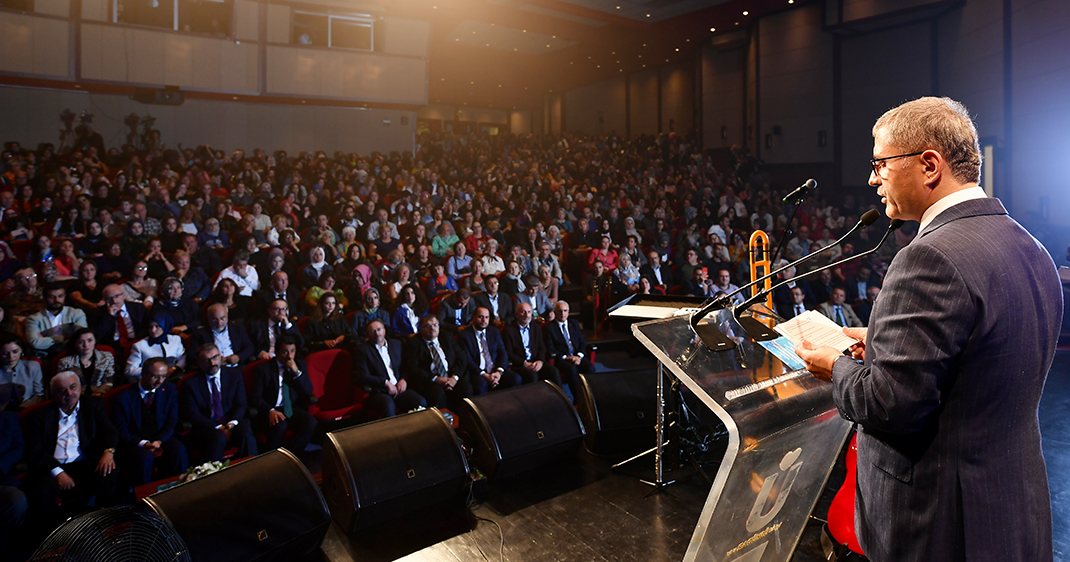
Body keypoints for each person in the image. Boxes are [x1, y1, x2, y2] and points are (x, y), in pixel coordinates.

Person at [795, 97, 1063, 562]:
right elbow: (981, 352)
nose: (872, 178)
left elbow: (889, 405)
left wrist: (834, 366)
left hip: (939, 519)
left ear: (929, 164)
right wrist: (878, 337)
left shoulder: (929, 257)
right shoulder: (1030, 245)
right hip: (1010, 503)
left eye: (880, 163)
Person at [21, 371, 119, 523]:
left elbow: (108, 430)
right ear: (54, 394)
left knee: (110, 471)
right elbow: (35, 451)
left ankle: (106, 520)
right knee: (41, 489)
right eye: (62, 390)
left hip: (84, 461)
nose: (69, 393)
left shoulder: (93, 404)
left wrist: (108, 452)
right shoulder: (39, 416)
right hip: (53, 466)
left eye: (73, 387)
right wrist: (58, 472)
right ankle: (50, 534)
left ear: (80, 387)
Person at [111, 357, 188, 486]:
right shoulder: (122, 398)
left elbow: (171, 421)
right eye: (155, 377)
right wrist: (145, 444)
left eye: (163, 376)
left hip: (161, 438)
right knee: (145, 457)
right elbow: (122, 432)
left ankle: (179, 489)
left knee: (178, 449)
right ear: (143, 374)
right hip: (135, 443)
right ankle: (144, 496)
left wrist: (158, 441)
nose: (160, 381)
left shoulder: (169, 390)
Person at [179, 343, 257, 463]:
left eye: (215, 358)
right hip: (207, 426)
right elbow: (192, 414)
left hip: (232, 421)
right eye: (206, 360)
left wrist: (231, 425)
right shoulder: (190, 383)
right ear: (199, 363)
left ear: (220, 357)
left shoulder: (234, 375)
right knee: (219, 437)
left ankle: (253, 468)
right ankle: (214, 476)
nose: (212, 363)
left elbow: (241, 403)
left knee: (245, 431)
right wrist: (219, 427)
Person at [249, 336, 317, 457]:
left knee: (311, 422)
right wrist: (270, 410)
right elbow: (255, 397)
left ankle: (293, 454)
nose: (289, 356)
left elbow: (308, 391)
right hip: (271, 409)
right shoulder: (263, 369)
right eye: (285, 352)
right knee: (281, 425)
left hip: (291, 409)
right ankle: (270, 457)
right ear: (276, 352)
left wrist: (296, 371)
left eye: (292, 351)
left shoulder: (300, 365)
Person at [355, 320, 426, 418]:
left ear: (384, 330)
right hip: (380, 391)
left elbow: (406, 366)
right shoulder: (362, 350)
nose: (377, 333)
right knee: (388, 406)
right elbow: (362, 376)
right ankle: (393, 433)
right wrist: (385, 383)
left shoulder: (396, 344)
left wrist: (403, 379)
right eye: (373, 331)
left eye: (379, 329)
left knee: (420, 402)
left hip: (399, 387)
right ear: (367, 335)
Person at [402, 315, 471, 411]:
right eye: (428, 326)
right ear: (421, 329)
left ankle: (465, 421)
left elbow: (462, 357)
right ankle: (442, 423)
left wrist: (454, 378)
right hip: (429, 381)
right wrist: (436, 379)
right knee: (437, 394)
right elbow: (413, 369)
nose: (432, 328)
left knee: (466, 388)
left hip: (451, 376)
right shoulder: (413, 343)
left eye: (435, 324)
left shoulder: (447, 337)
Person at [455, 306, 521, 394]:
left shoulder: (494, 331)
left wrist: (498, 372)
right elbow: (467, 360)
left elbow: (502, 353)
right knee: (481, 385)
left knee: (515, 379)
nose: (484, 320)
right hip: (477, 372)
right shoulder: (464, 335)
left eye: (486, 317)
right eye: (480, 317)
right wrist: (484, 375)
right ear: (473, 318)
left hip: (495, 370)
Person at [502, 302, 562, 387]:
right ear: (516, 314)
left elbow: (542, 347)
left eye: (529, 312)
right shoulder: (509, 330)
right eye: (523, 312)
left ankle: (561, 398)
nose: (527, 315)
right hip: (520, 364)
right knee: (532, 376)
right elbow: (509, 353)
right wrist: (524, 363)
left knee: (554, 371)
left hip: (535, 361)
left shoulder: (536, 327)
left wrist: (540, 361)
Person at [25, 284, 87, 359]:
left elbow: (81, 338)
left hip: (73, 354)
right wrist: (63, 337)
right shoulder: (34, 319)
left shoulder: (77, 313)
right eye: (52, 297)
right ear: (44, 298)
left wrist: (47, 337)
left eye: (60, 296)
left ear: (65, 296)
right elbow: (35, 343)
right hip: (46, 357)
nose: (57, 300)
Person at [543, 301, 592, 391]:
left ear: (568, 312)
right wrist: (567, 358)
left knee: (590, 368)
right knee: (572, 370)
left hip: (577, 356)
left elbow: (582, 342)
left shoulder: (574, 324)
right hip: (562, 359)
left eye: (565, 311)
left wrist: (579, 356)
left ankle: (591, 395)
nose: (562, 314)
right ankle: (578, 399)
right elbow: (550, 348)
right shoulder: (549, 328)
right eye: (560, 311)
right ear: (555, 312)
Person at [186, 304, 255, 367]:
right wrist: (214, 360)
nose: (219, 323)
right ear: (208, 318)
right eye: (215, 319)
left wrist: (238, 357)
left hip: (237, 367)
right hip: (214, 369)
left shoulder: (237, 328)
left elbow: (249, 347)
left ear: (227, 316)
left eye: (222, 318)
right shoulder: (200, 334)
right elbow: (192, 356)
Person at [125, 313, 186, 380]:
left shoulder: (175, 339)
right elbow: (129, 370)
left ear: (165, 326)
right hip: (151, 380)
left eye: (157, 326)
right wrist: (155, 371)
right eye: (150, 327)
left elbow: (182, 358)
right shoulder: (139, 346)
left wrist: (175, 368)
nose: (153, 330)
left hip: (173, 377)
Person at [57, 328, 117, 395]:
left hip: (101, 396)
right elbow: (64, 385)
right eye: (80, 342)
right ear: (75, 344)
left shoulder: (107, 357)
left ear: (95, 341)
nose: (86, 345)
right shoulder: (65, 362)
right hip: (76, 397)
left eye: (90, 340)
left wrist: (99, 393)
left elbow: (109, 380)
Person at [91, 284, 149, 350]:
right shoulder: (98, 313)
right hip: (113, 345)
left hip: (135, 342)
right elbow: (97, 335)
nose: (114, 301)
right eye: (109, 298)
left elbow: (146, 328)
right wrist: (110, 317)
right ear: (104, 300)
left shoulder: (138, 308)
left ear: (124, 296)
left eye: (117, 296)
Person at [0, 337, 44, 408]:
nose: (11, 357)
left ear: (21, 351)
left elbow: (39, 395)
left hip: (26, 410)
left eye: (15, 352)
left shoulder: (32, 366)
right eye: (5, 353)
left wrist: (23, 408)